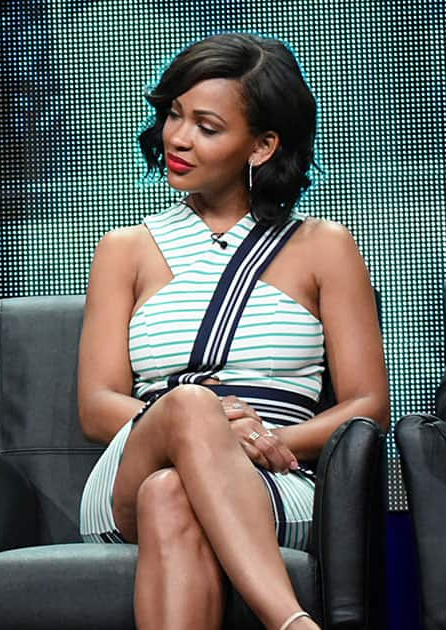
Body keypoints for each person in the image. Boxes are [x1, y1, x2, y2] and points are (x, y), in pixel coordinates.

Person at [77, 33, 388, 630]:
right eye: (173, 114)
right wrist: (205, 423)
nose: (178, 138)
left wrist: (256, 444)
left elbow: (367, 407)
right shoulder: (126, 249)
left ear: (263, 144)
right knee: (190, 407)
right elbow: (96, 408)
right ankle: (291, 622)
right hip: (131, 464)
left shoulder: (324, 247)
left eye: (207, 126)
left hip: (276, 473)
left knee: (171, 496)